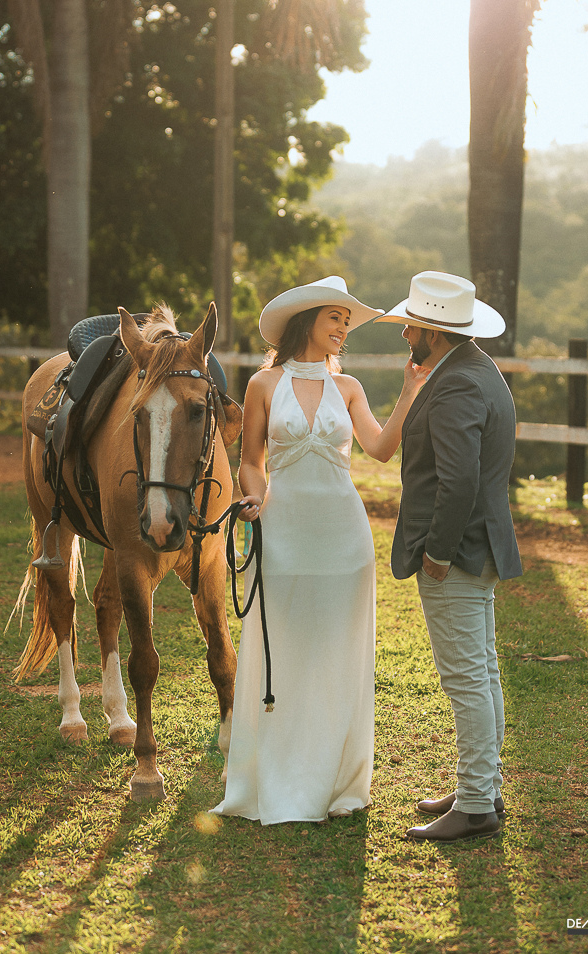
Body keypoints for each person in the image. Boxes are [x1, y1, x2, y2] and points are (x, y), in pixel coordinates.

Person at [212, 275, 428, 824]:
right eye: (336, 318)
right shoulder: (263, 384)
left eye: (346, 322)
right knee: (283, 649)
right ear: (308, 320)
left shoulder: (349, 387)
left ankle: (334, 781)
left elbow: (380, 448)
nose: (343, 330)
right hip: (282, 532)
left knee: (336, 654)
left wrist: (407, 392)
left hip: (343, 538)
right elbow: (251, 461)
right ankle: (276, 773)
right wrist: (253, 498)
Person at [374, 270, 522, 843]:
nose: (405, 333)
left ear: (433, 333)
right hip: (481, 544)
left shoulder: (456, 384)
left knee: (466, 679)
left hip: (457, 552)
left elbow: (458, 482)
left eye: (412, 325)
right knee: (482, 671)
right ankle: (481, 787)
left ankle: (477, 804)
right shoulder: (476, 369)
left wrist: (436, 552)